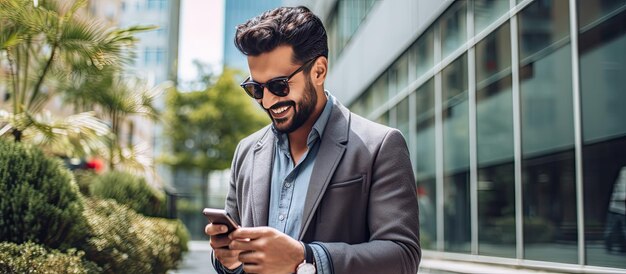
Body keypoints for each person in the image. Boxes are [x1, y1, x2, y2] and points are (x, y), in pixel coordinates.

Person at [205, 6, 421, 274]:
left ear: (318, 72)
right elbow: (233, 260)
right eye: (256, 89)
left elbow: (402, 256)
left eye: (279, 86)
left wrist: (306, 258)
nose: (268, 101)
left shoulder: (380, 146)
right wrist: (230, 259)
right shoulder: (246, 151)